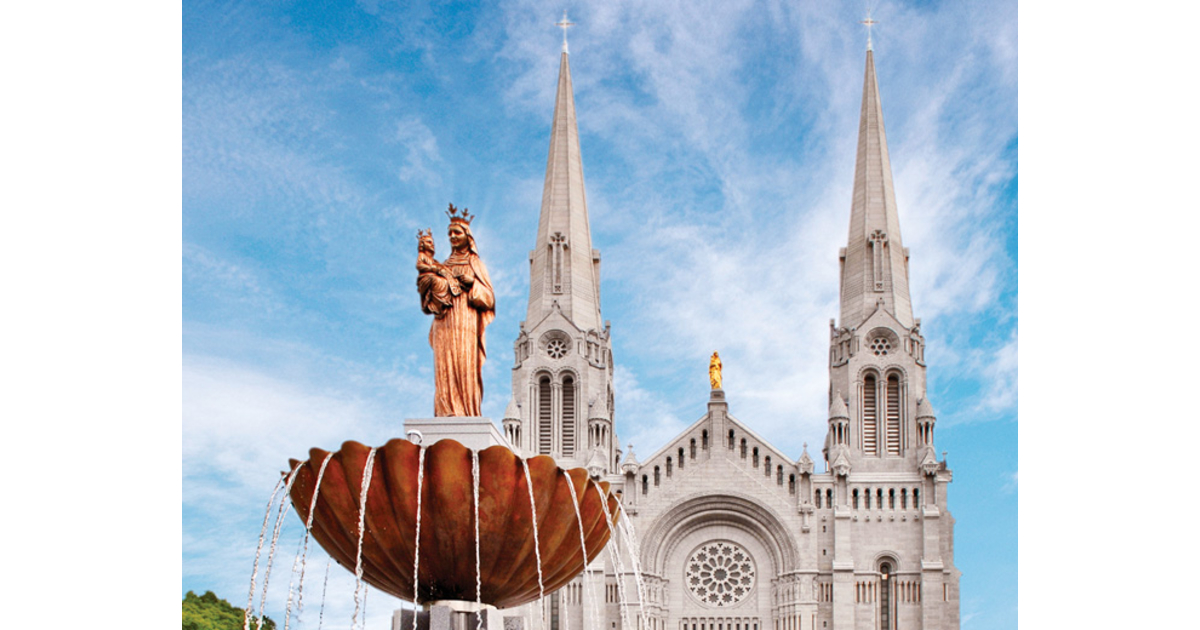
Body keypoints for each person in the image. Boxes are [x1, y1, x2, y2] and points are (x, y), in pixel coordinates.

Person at [419, 205, 495, 416]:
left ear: (467, 236)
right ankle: (446, 410)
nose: (452, 236)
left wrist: (472, 284)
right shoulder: (442, 266)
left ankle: (467, 410)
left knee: (464, 365)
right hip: (444, 321)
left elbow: (489, 299)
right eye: (450, 233)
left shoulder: (475, 264)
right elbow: (428, 301)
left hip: (466, 321)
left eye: (457, 232)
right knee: (444, 366)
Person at [415, 229, 459, 318]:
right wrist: (432, 268)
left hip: (434, 276)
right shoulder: (422, 256)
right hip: (426, 278)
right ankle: (435, 305)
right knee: (436, 281)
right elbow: (419, 265)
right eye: (429, 242)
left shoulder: (434, 260)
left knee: (443, 282)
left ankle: (442, 304)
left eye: (432, 243)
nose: (432, 244)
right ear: (423, 244)